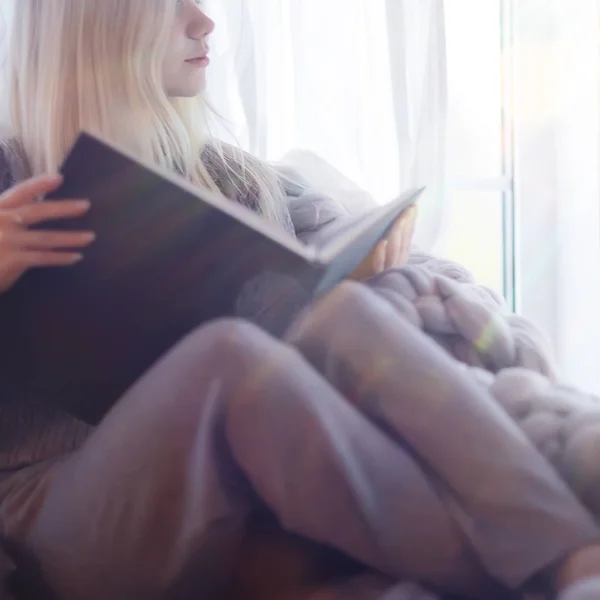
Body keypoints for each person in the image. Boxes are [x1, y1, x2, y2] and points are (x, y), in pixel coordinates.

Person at [0, 1, 599, 599]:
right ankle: (527, 573)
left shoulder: (228, 177)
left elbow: (324, 263)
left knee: (344, 313)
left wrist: (368, 254)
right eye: (170, 6)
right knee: (227, 355)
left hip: (205, 475)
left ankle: (576, 557)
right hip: (45, 512)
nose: (205, 20)